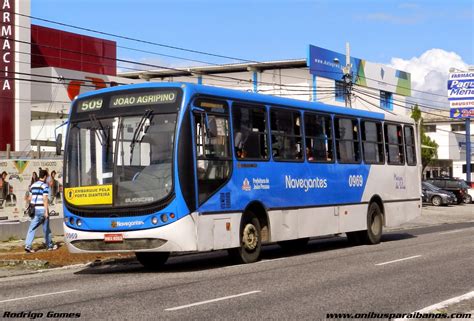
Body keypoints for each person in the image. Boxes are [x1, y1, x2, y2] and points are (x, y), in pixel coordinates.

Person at [24, 169, 58, 253]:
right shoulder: (45, 186)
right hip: (42, 210)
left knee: (32, 228)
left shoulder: (33, 185)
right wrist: (46, 211)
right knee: (46, 229)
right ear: (45, 176)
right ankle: (49, 245)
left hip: (34, 210)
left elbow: (30, 198)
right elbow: (45, 199)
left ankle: (28, 246)